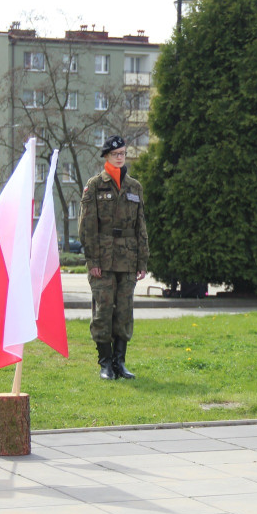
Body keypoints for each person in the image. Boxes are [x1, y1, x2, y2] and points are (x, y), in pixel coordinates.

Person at [78, 135, 149, 381]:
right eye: (116, 153)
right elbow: (87, 227)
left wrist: (142, 261)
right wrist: (93, 261)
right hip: (104, 260)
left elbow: (141, 226)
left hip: (128, 259)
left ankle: (120, 362)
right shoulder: (95, 185)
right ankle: (105, 363)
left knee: (125, 311)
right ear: (107, 156)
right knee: (103, 310)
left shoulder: (134, 187)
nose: (121, 157)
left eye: (123, 153)